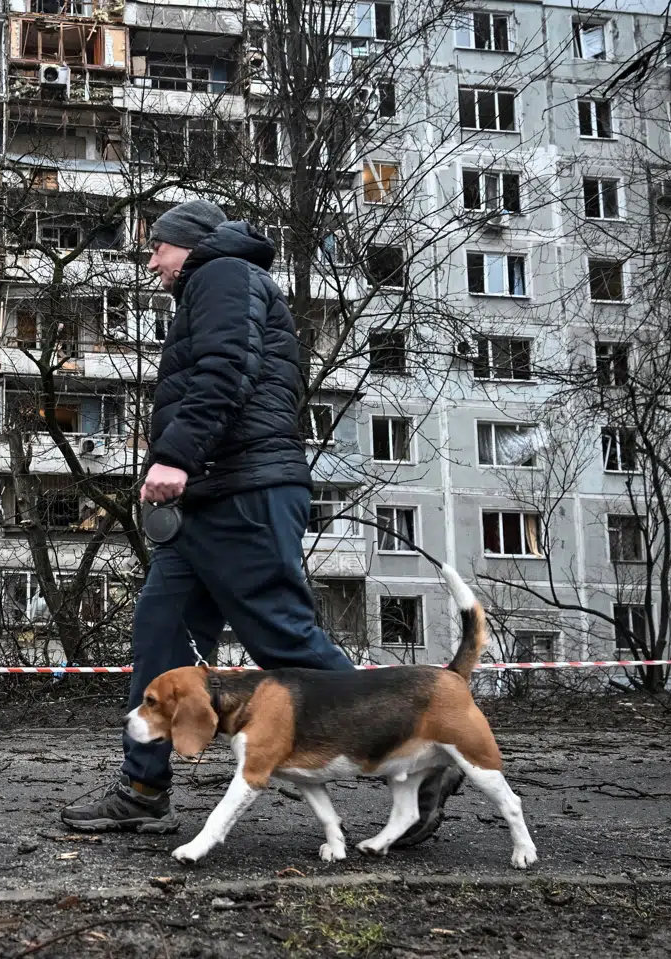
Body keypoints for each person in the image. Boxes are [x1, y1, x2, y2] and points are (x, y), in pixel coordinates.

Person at [59, 199, 462, 846]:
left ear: (187, 244)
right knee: (160, 633)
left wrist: (173, 455)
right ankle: (141, 786)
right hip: (211, 496)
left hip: (242, 490)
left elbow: (225, 370)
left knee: (286, 644)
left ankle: (427, 748)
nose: (152, 261)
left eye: (157, 247)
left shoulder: (224, 277)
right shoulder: (215, 285)